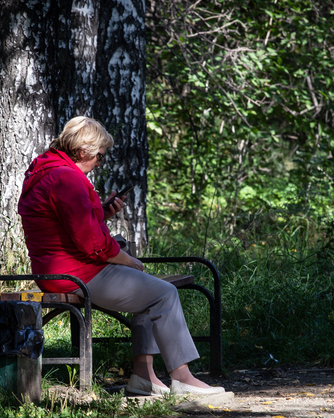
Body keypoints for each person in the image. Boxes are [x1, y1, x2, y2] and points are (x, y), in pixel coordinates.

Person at [18, 116, 224, 396]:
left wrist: (102, 212)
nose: (100, 163)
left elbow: (67, 224)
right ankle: (183, 378)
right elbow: (92, 243)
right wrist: (128, 261)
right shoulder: (66, 178)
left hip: (57, 271)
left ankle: (144, 377)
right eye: (100, 156)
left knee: (148, 295)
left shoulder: (46, 170)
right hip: (76, 274)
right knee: (163, 294)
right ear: (83, 152)